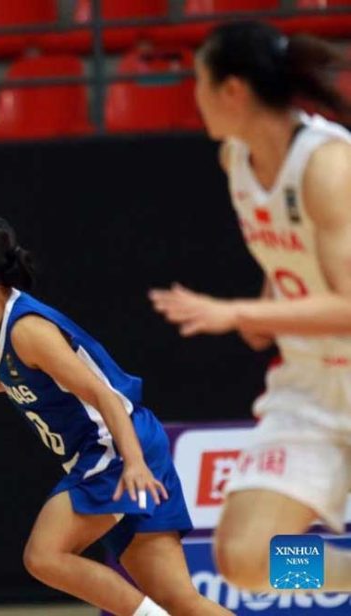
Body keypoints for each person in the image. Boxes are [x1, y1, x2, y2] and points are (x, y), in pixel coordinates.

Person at [0, 212, 231, 615]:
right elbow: (18, 372)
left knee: (44, 556)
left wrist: (132, 463)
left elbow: (104, 395)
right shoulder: (2, 323)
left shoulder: (27, 328)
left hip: (115, 449)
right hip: (135, 443)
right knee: (180, 601)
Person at [150, 20, 351, 592]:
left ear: (232, 90)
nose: (194, 97)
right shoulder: (235, 162)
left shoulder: (328, 165)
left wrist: (241, 314)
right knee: (244, 558)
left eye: (199, 81)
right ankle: (347, 573)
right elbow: (282, 248)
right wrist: (271, 299)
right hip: (312, 384)